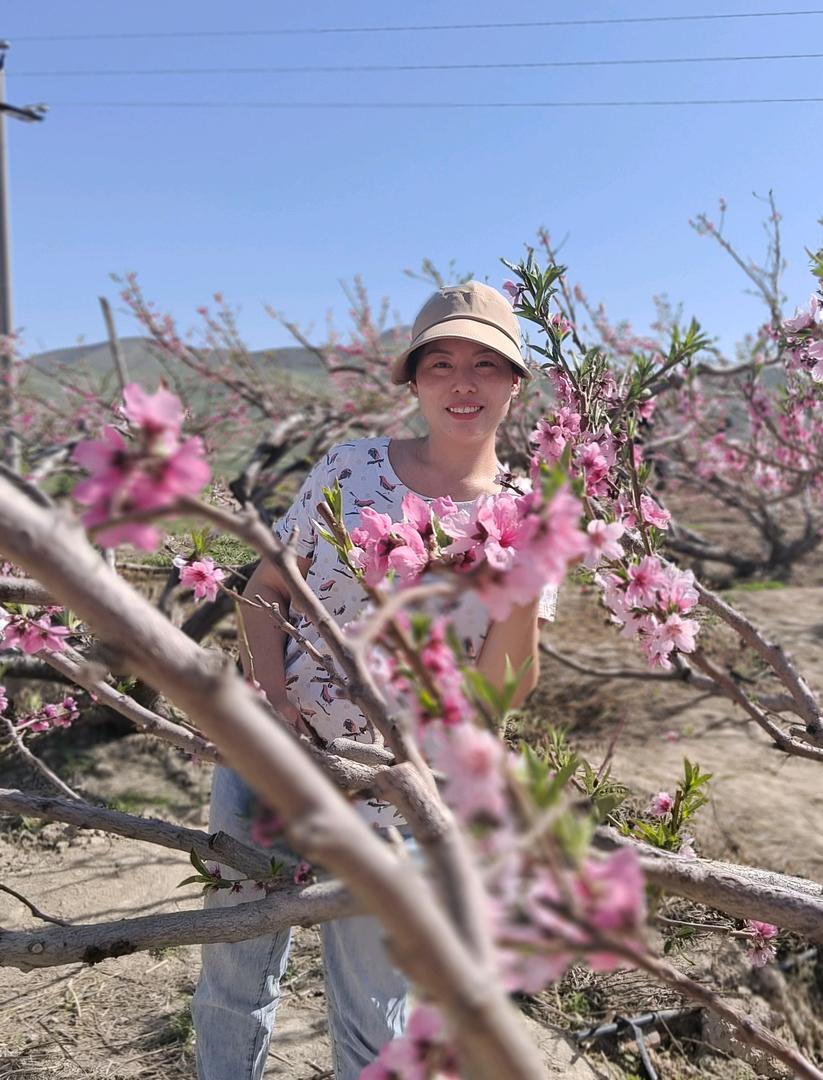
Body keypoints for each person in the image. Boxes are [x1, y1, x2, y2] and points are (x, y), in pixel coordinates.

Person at [191, 281, 556, 1080]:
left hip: (397, 791)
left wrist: (525, 576)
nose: (464, 384)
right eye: (441, 364)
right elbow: (265, 589)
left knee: (374, 1018)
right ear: (415, 382)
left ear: (515, 383)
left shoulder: (527, 514)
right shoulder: (352, 465)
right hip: (274, 760)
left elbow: (502, 690)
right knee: (233, 979)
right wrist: (272, 702)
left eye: (487, 366)